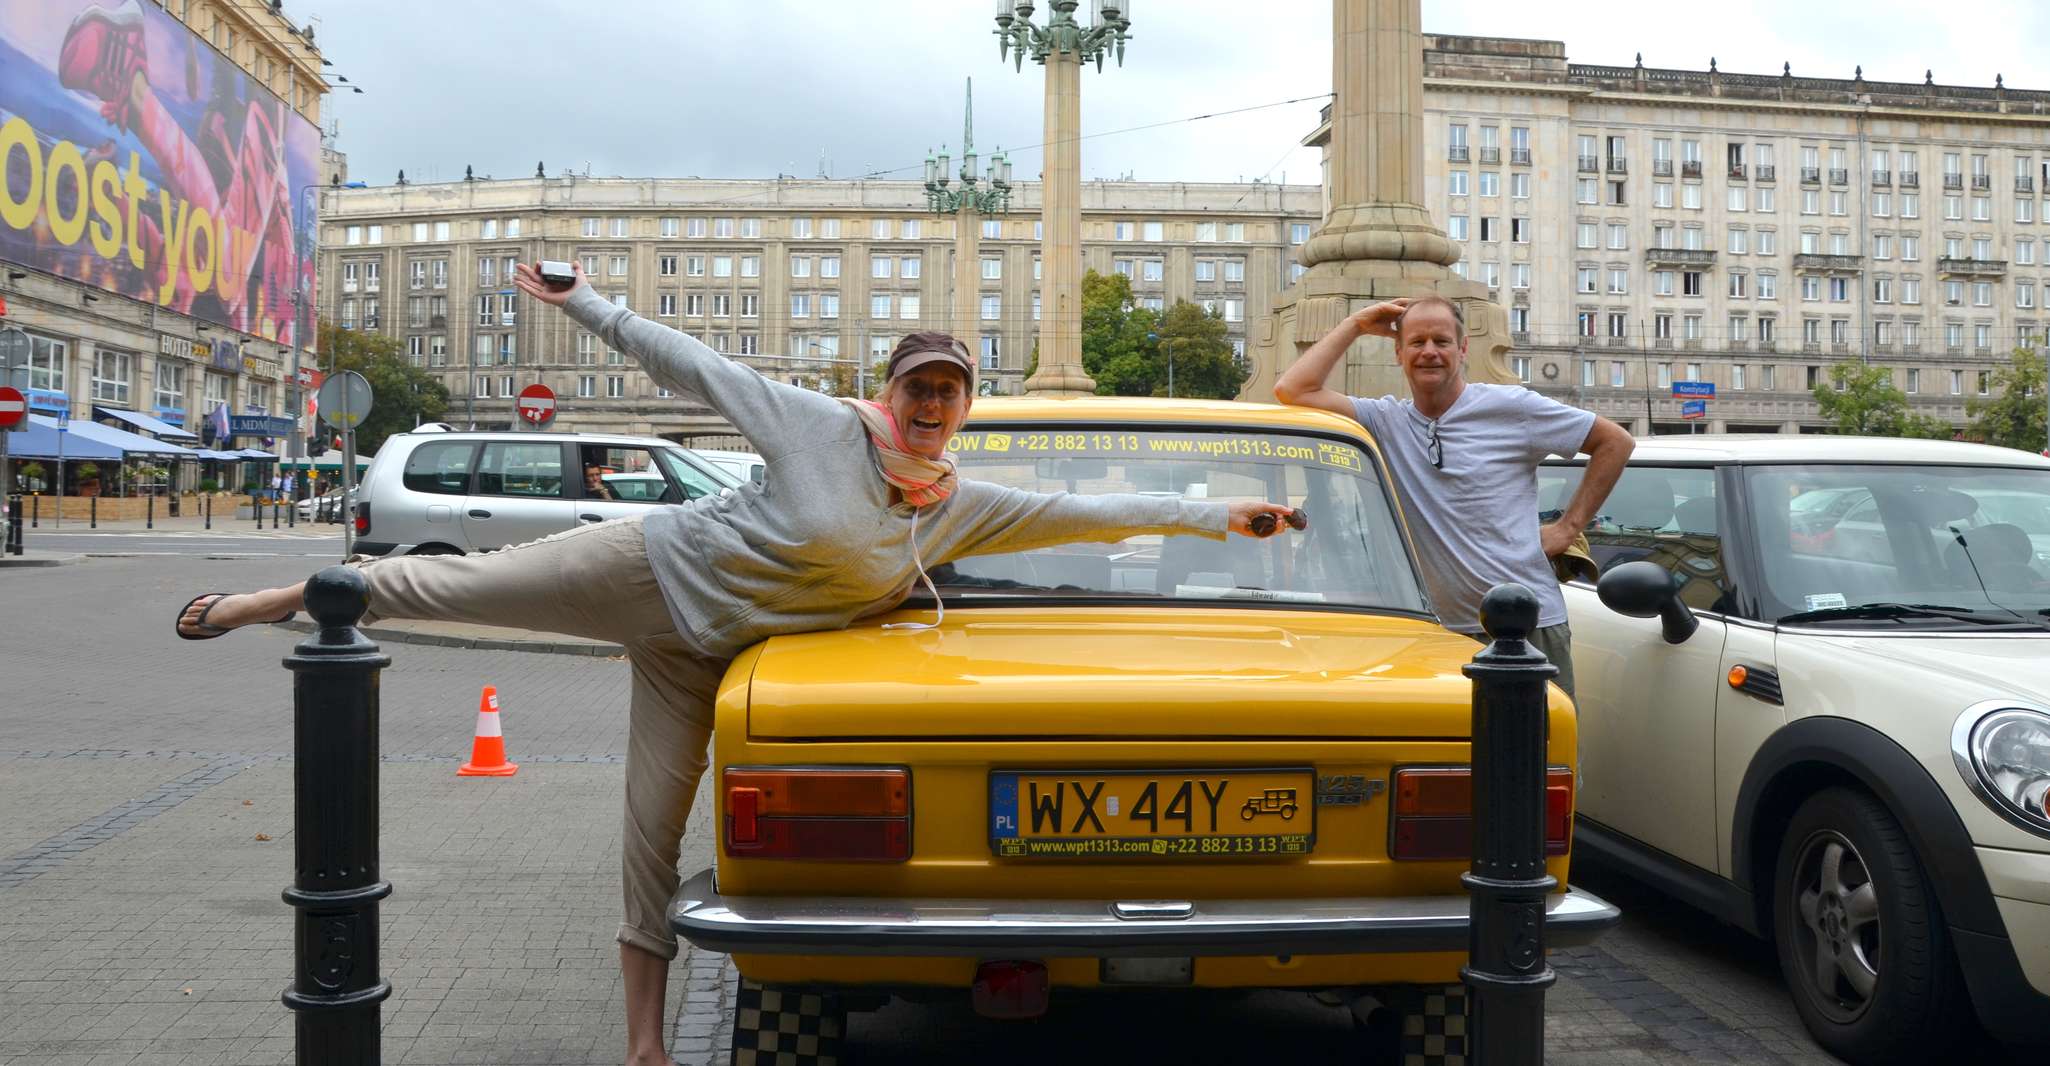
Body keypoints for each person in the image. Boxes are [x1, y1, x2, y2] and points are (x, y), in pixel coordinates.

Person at [174, 261, 1302, 1065]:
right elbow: (696, 363)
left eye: (948, 394)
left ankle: (645, 1048)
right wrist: (587, 304)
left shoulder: (959, 506)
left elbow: (1080, 517)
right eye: (916, 388)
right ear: (890, 389)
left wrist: (1224, 517)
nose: (928, 408)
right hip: (651, 570)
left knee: (651, 833)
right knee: (461, 586)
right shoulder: (816, 426)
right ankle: (277, 597)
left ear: (963, 409)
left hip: (711, 656)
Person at [1273, 295, 1633, 698]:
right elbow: (1293, 389)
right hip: (1437, 636)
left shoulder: (1512, 407)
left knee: (1541, 756)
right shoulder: (1385, 419)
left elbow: (1615, 442)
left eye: (1442, 341)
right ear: (1399, 353)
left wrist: (1568, 527)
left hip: (1528, 628)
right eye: (1417, 342)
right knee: (1449, 760)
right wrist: (1356, 324)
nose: (1429, 352)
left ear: (1462, 350)